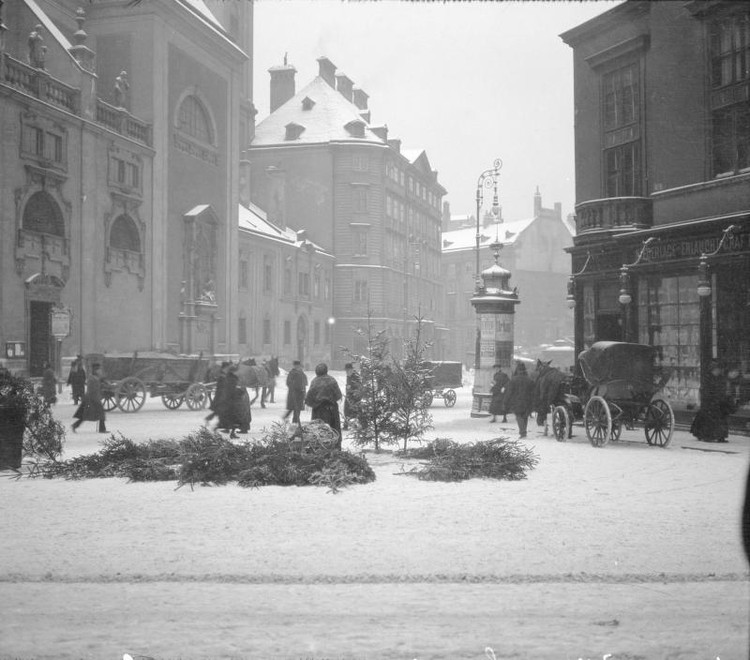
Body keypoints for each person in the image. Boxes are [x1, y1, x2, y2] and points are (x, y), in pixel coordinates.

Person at [690, 361, 735, 443]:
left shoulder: (720, 378)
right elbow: (705, 391)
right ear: (712, 370)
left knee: (721, 419)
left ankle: (721, 436)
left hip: (719, 403)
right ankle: (707, 435)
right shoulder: (707, 379)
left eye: (718, 370)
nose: (717, 371)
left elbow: (723, 389)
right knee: (709, 419)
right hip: (709, 403)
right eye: (715, 370)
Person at [305, 363, 343, 448]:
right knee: (334, 430)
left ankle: (320, 449)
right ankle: (336, 447)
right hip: (332, 410)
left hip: (319, 411)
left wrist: (313, 403)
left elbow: (309, 398)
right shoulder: (332, 380)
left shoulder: (315, 381)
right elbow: (338, 395)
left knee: (319, 431)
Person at [71, 363, 107, 433]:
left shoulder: (95, 378)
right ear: (95, 370)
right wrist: (95, 398)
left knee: (89, 415)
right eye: (98, 370)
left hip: (93, 398)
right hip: (91, 399)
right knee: (88, 415)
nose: (99, 371)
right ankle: (102, 429)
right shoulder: (92, 378)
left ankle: (102, 429)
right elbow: (91, 390)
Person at [504, 362, 535, 438]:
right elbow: (533, 392)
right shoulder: (529, 380)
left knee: (519, 416)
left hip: (516, 401)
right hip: (528, 401)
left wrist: (505, 401)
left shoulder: (513, 380)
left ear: (517, 370)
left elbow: (509, 392)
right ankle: (524, 431)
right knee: (525, 416)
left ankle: (523, 432)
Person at [284, 360, 307, 425]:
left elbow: (304, 382)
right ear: (295, 365)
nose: (298, 366)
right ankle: (295, 423)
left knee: (295, 408)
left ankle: (294, 421)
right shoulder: (294, 373)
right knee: (296, 409)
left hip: (298, 394)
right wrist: (299, 389)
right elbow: (289, 383)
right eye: (297, 365)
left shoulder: (299, 373)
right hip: (296, 394)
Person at [343, 362, 362, 430]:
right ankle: (346, 425)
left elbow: (359, 387)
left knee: (356, 412)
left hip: (355, 397)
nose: (346, 372)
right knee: (346, 411)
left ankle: (359, 425)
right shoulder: (349, 376)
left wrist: (351, 388)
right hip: (349, 396)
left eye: (347, 370)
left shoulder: (356, 376)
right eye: (346, 370)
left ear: (351, 369)